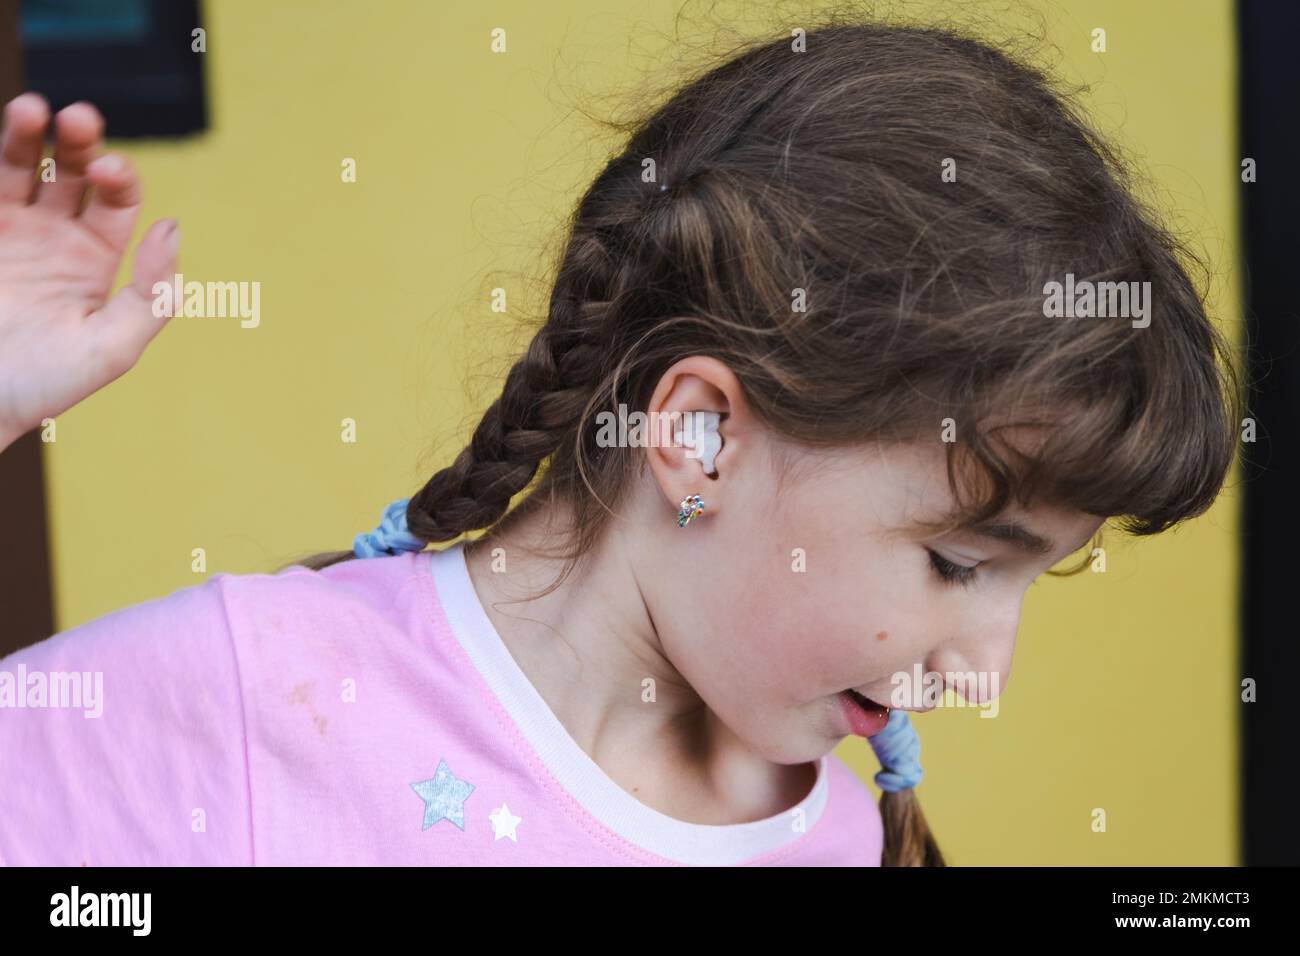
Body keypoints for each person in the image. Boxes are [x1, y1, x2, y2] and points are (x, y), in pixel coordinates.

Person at [0, 21, 1240, 866]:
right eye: (961, 563)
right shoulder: (233, 695)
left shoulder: (843, 839)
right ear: (698, 435)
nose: (985, 675)